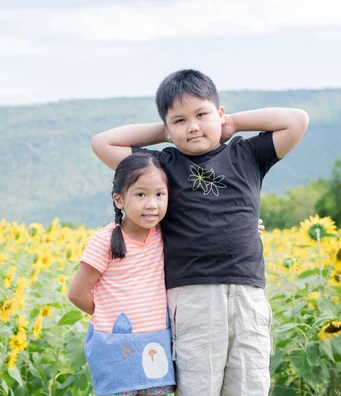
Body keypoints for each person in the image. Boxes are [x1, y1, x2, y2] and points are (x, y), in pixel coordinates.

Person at [90, 69, 309, 395]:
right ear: (167, 129)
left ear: (218, 114)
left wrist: (231, 124)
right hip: (193, 296)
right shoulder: (162, 165)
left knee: (250, 384)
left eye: (202, 115)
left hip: (247, 293)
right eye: (179, 121)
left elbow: (297, 120)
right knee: (198, 387)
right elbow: (102, 142)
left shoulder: (246, 154)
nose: (192, 126)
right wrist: (166, 134)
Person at [69, 152, 176, 396]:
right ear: (119, 200)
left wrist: (242, 229)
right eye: (141, 194)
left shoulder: (165, 233)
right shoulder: (104, 240)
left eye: (160, 194)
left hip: (155, 342)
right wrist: (111, 314)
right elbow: (77, 294)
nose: (152, 204)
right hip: (115, 346)